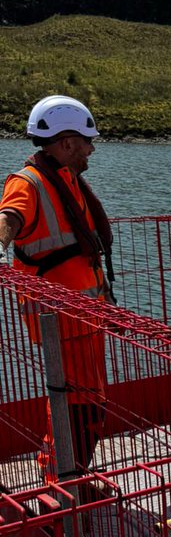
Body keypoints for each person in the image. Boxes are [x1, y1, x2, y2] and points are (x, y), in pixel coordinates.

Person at [0, 96, 113, 479]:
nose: (91, 148)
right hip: (60, 322)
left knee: (86, 407)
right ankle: (58, 485)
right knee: (74, 408)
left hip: (85, 318)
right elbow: (10, 217)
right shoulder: (28, 182)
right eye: (86, 140)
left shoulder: (67, 180)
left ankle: (71, 477)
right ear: (66, 143)